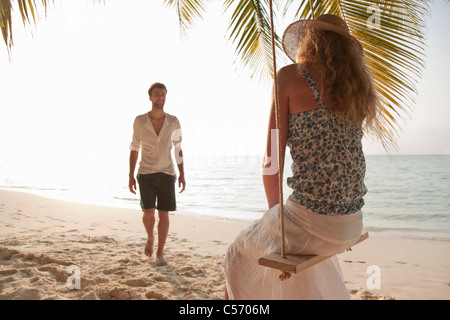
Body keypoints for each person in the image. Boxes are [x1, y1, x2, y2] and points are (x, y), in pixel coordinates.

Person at [223, 14, 382, 299]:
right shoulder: (355, 90)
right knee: (305, 256)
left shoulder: (289, 76)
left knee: (235, 255)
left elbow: (272, 159)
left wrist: (276, 217)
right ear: (345, 48)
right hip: (351, 223)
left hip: (315, 223)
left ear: (309, 41)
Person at [129, 82, 186, 266]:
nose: (159, 97)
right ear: (150, 97)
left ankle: (160, 252)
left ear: (165, 97)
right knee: (148, 213)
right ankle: (149, 238)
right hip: (145, 173)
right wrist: (130, 175)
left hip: (167, 174)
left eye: (162, 94)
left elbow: (178, 149)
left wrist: (182, 174)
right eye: (156, 94)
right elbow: (134, 148)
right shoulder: (140, 121)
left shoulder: (174, 121)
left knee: (164, 214)